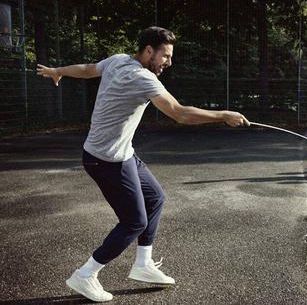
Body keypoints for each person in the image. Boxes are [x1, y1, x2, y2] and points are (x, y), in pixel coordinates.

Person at [36, 26, 250, 302]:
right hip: (106, 160)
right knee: (134, 221)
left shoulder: (117, 60)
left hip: (122, 154)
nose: (168, 63)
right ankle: (86, 274)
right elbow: (179, 114)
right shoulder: (142, 78)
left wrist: (60, 71)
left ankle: (143, 264)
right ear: (149, 50)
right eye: (165, 56)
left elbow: (88, 69)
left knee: (155, 198)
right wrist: (223, 115)